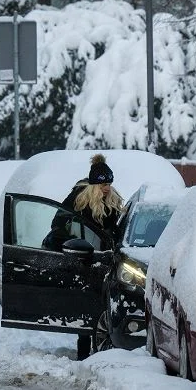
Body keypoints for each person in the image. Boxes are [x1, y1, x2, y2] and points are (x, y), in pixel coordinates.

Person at [52, 153, 124, 360]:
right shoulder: (78, 200)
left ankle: (101, 351)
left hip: (105, 258)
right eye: (103, 185)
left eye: (109, 183)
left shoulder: (112, 202)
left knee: (100, 305)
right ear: (93, 185)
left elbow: (116, 231)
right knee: (86, 304)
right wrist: (72, 241)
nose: (107, 188)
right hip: (81, 257)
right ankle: (84, 353)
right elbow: (57, 225)